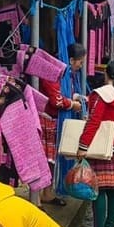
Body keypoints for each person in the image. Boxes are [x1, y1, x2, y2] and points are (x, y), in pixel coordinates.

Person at [76, 59, 114, 227]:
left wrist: (83, 146)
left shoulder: (100, 95)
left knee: (98, 189)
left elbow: (93, 121)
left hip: (102, 147)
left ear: (106, 74)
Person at [38, 43, 87, 207]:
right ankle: (38, 197)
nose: (81, 66)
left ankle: (47, 193)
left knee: (50, 160)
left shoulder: (65, 74)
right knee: (45, 159)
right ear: (71, 60)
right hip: (46, 118)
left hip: (54, 118)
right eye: (80, 62)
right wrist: (72, 104)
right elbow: (56, 99)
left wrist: (75, 97)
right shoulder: (52, 73)